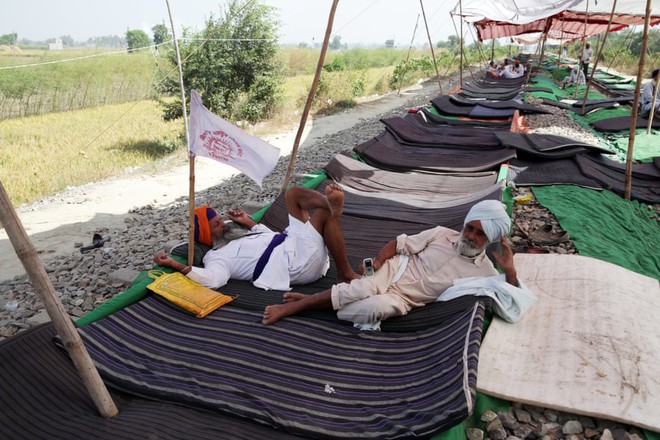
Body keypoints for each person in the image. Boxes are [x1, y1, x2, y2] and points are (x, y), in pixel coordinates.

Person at [262, 200, 523, 326]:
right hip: (393, 272)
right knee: (363, 289)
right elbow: (398, 244)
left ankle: (318, 300)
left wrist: (508, 270)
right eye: (470, 228)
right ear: (465, 224)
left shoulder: (485, 271)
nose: (471, 236)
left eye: (480, 235)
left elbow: (511, 302)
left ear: (488, 240)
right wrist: (378, 261)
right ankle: (297, 307)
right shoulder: (441, 233)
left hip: (405, 300)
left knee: (370, 310)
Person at [154, 184, 360, 291]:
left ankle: (329, 203)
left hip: (290, 244)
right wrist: (174, 264)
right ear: (208, 236)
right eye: (217, 225)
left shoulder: (237, 237)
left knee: (293, 194)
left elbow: (268, 239)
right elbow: (214, 280)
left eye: (220, 220)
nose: (224, 225)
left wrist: (247, 221)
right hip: (294, 264)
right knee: (325, 216)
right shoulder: (215, 258)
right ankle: (345, 272)